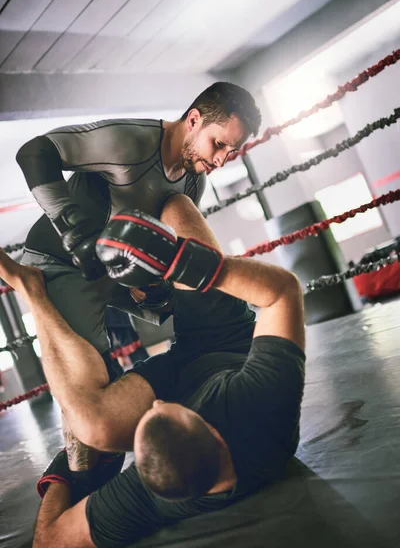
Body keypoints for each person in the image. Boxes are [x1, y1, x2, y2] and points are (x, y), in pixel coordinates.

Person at [0, 195, 305, 548]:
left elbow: (49, 540)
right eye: (163, 411)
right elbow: (284, 290)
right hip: (225, 338)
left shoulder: (150, 495)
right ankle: (153, 200)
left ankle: (30, 290)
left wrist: (70, 473)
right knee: (174, 206)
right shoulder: (264, 404)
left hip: (177, 373)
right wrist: (180, 260)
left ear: (143, 474)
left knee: (91, 426)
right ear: (212, 429)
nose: (156, 404)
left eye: (150, 413)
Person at [15, 82, 261, 383]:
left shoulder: (194, 182)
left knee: (185, 306)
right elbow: (35, 152)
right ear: (194, 120)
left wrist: (155, 285)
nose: (221, 160)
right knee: (93, 381)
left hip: (115, 268)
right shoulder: (130, 141)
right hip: (60, 261)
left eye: (231, 151)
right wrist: (74, 231)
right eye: (219, 144)